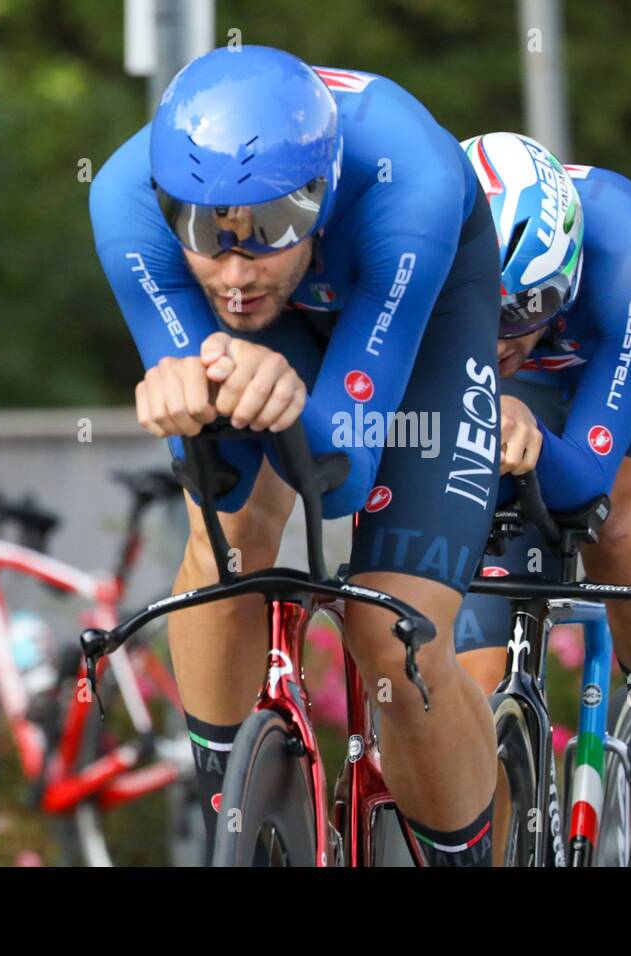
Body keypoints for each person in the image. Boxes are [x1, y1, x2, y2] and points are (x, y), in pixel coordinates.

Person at [89, 46, 504, 866]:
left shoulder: (407, 179)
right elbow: (222, 467)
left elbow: (341, 473)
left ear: (320, 197)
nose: (237, 270)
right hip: (278, 329)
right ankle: (228, 825)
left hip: (416, 316)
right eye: (208, 234)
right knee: (224, 535)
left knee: (395, 630)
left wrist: (287, 394)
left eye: (273, 230)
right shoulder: (124, 200)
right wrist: (186, 398)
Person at [453, 132, 631, 865]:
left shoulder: (629, 262)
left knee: (621, 535)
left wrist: (528, 425)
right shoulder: (426, 238)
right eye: (485, 310)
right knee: (476, 679)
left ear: (566, 277)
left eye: (528, 307)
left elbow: (586, 490)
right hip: (539, 385)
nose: (502, 337)